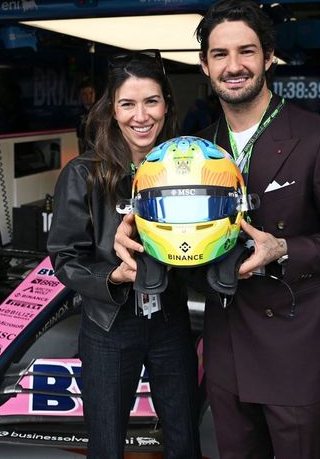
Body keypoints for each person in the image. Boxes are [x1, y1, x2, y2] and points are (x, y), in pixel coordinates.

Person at [115, 0, 320, 458]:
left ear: (269, 57)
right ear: (204, 65)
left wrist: (284, 248)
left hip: (298, 348)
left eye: (246, 51)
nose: (233, 66)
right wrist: (139, 238)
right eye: (220, 54)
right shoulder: (194, 149)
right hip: (227, 349)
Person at [46, 51, 201, 458]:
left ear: (166, 105)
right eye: (128, 104)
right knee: (107, 442)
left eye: (151, 101)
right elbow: (64, 257)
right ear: (112, 110)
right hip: (109, 325)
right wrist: (113, 276)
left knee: (184, 434)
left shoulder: (186, 171)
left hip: (170, 319)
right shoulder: (83, 173)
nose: (141, 116)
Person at [76, 79, 96, 155]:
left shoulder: (100, 111)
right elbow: (79, 138)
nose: (88, 97)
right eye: (84, 94)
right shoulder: (78, 113)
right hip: (85, 150)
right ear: (80, 96)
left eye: (91, 93)